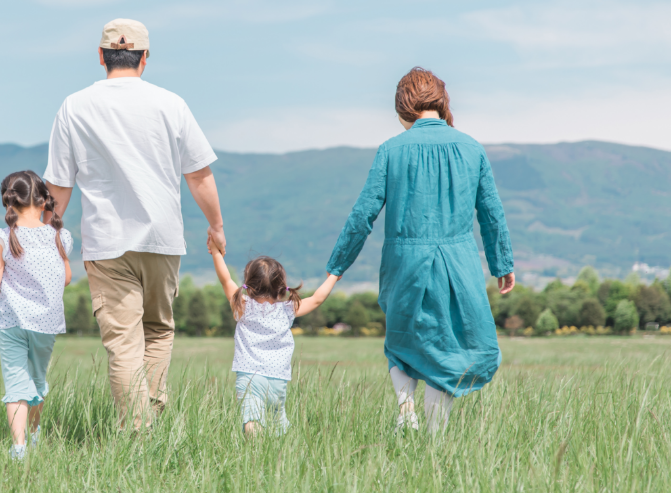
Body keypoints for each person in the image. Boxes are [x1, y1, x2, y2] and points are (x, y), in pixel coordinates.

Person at [43, 18, 224, 429]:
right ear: (144, 58)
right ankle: (150, 429)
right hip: (163, 238)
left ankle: (137, 432)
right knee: (158, 332)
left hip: (106, 243)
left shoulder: (74, 105)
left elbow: (59, 185)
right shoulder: (171, 103)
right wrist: (216, 225)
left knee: (123, 344)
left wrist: (48, 235)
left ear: (101, 57)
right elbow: (199, 175)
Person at [325, 67, 515, 434]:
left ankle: (405, 409)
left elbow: (363, 213)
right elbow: (491, 212)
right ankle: (434, 438)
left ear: (403, 108)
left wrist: (337, 267)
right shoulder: (471, 147)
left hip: (403, 260)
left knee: (400, 340)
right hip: (457, 261)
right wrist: (501, 262)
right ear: (442, 103)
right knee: (445, 345)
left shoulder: (390, 150)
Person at [0, 170, 73, 460]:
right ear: (44, 201)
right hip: (46, 324)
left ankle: (18, 447)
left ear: (9, 202)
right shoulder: (60, 236)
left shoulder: (4, 237)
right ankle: (35, 436)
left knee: (16, 385)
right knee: (37, 381)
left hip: (11, 322)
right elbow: (66, 278)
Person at [209, 237, 340, 435]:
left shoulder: (243, 305)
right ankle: (278, 455)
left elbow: (225, 279)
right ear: (280, 287)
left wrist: (216, 253)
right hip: (278, 379)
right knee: (277, 422)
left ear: (249, 284)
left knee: (252, 420)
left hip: (249, 376)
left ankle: (256, 449)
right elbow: (317, 299)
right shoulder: (287, 310)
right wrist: (333, 276)